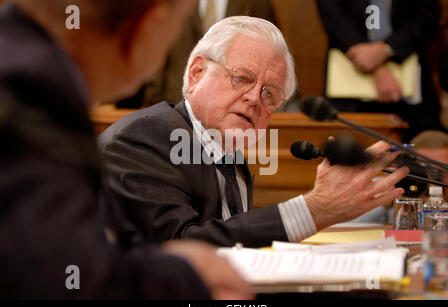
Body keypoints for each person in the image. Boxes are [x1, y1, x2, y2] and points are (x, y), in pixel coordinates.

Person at [0, 0, 252, 299]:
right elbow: (71, 277)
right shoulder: (32, 92)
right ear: (147, 28)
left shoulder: (25, 60)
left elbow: (106, 240)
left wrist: (173, 264)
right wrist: (186, 277)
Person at [98, 16, 409, 248]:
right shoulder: (145, 136)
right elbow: (179, 249)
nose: (254, 99)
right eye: (242, 79)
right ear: (197, 73)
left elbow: (234, 251)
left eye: (270, 94)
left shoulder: (233, 161)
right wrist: (313, 210)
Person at [316, 0, 442, 142]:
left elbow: (428, 17)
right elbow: (333, 15)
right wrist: (374, 66)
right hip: (349, 92)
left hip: (410, 89)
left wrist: (387, 48)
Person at [115, 0, 278, 109]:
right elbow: (161, 52)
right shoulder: (174, 4)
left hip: (232, 115)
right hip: (175, 108)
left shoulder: (256, 3)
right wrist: (156, 104)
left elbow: (271, 55)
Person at [352, 130, 448, 224]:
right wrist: (382, 204)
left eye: (442, 170)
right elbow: (348, 225)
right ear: (411, 165)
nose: (434, 178)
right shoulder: (385, 185)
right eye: (427, 169)